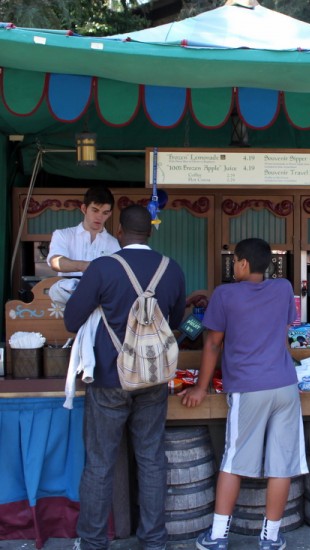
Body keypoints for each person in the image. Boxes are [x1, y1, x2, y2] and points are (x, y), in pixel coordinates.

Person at [64, 204, 186, 550]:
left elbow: (71, 320)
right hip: (153, 378)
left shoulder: (103, 267)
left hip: (108, 377)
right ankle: (154, 540)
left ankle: (93, 542)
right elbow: (176, 320)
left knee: (100, 463)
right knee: (151, 459)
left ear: (119, 232)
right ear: (149, 232)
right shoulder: (171, 269)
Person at [181, 237, 308, 550]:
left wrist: (200, 387)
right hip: (285, 386)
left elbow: (212, 343)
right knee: (282, 464)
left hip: (248, 389)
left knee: (234, 461)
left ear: (243, 263)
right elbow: (283, 333)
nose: (233, 266)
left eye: (235, 260)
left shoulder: (225, 294)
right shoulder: (283, 288)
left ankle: (218, 536)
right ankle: (271, 538)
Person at [47, 186, 120, 276]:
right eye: (95, 210)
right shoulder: (62, 235)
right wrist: (86, 266)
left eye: (105, 213)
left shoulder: (115, 244)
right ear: (84, 209)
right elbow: (55, 262)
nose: (99, 217)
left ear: (110, 214)